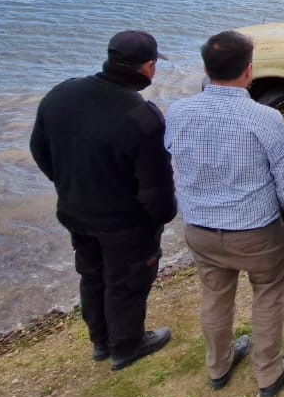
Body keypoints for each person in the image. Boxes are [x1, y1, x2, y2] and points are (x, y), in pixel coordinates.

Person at [164, 31, 284, 397]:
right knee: (268, 296)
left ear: (206, 69)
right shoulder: (264, 118)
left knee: (214, 296)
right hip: (257, 231)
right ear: (248, 70)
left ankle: (219, 366)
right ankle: (269, 373)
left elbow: (173, 161)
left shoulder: (178, 112)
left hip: (201, 228)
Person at [30, 30, 176, 371]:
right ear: (149, 67)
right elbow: (155, 182)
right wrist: (161, 216)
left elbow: (40, 149)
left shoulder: (61, 94)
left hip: (76, 210)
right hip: (125, 221)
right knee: (127, 281)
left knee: (92, 274)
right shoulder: (142, 116)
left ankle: (100, 340)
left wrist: (68, 184)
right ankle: (126, 345)